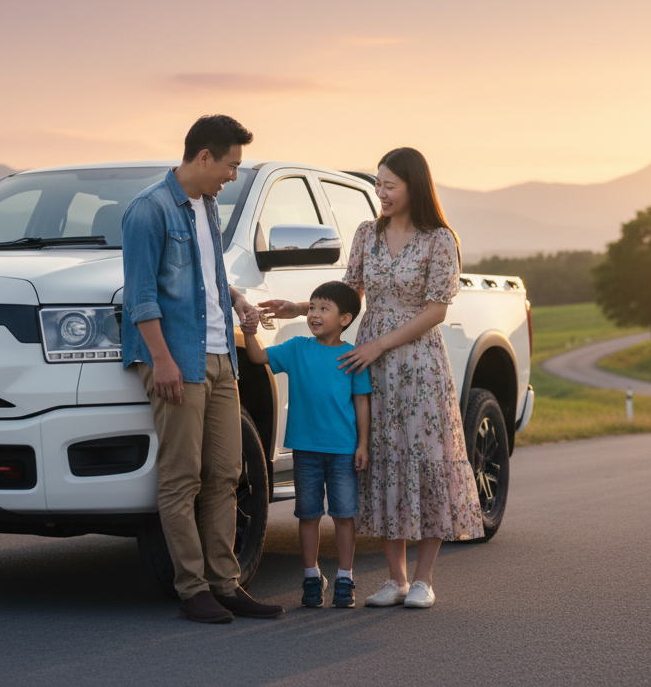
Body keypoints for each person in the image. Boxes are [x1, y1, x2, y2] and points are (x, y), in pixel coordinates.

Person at [259, 147, 483, 609]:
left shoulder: (440, 238)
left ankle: (424, 579)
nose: (380, 193)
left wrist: (381, 344)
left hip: (416, 362)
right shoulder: (368, 233)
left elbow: (437, 309)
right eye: (378, 184)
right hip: (367, 359)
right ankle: (395, 578)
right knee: (381, 459)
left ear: (413, 186)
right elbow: (349, 294)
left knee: (423, 458)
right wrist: (300, 307)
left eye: (389, 185)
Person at [120, 114, 285, 624]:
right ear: (204, 157)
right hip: (178, 360)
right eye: (231, 166)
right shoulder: (148, 211)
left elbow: (208, 274)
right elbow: (140, 297)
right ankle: (192, 589)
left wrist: (237, 301)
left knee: (226, 473)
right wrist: (162, 360)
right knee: (181, 477)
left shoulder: (207, 206)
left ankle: (225, 583)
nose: (233, 176)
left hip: (221, 357)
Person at [240, 281, 372, 608]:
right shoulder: (297, 348)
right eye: (311, 307)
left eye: (323, 309)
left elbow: (362, 403)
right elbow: (256, 356)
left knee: (344, 516)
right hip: (306, 450)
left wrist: (363, 445)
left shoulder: (352, 356)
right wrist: (250, 329)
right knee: (308, 515)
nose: (313, 314)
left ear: (345, 318)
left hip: (343, 451)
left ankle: (345, 578)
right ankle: (311, 577)